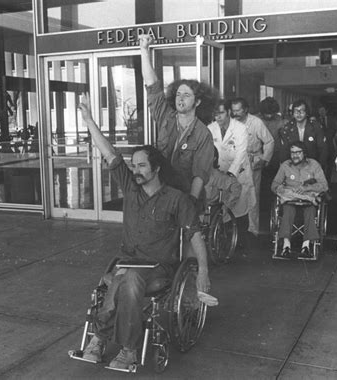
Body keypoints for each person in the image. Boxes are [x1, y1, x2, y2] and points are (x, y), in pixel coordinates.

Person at [77, 93, 211, 370]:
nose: (135, 170)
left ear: (156, 168)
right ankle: (115, 345)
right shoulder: (130, 188)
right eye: (134, 165)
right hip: (125, 263)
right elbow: (109, 152)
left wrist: (204, 274)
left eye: (141, 166)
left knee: (128, 279)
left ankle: (114, 345)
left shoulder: (177, 199)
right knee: (125, 276)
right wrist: (89, 120)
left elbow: (196, 235)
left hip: (159, 270)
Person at [139, 34, 216, 212]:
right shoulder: (166, 117)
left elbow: (200, 174)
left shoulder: (203, 134)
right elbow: (152, 86)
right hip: (159, 191)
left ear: (197, 102)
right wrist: (144, 50)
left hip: (184, 194)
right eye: (178, 94)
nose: (180, 99)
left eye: (187, 95)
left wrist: (191, 202)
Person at [271, 141, 328, 259]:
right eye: (292, 153)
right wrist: (281, 189)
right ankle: (286, 246)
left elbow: (324, 185)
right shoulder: (285, 165)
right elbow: (274, 185)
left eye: (298, 152)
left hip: (308, 198)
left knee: (310, 210)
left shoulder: (314, 165)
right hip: (290, 198)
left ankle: (306, 246)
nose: (295, 155)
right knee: (287, 210)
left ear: (305, 153)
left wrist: (307, 188)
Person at [230, 97, 274, 237]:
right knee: (233, 193)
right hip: (235, 161)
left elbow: (269, 141)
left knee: (252, 194)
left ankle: (252, 229)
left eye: (238, 110)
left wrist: (264, 159)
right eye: (233, 110)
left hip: (252, 160)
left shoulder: (256, 122)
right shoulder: (230, 123)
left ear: (246, 110)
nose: (235, 113)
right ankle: (233, 227)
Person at [207, 99, 252, 217]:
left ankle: (242, 233)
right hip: (219, 174)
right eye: (216, 114)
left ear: (228, 112)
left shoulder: (240, 128)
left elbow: (240, 153)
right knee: (221, 212)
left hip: (238, 173)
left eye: (221, 113)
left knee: (239, 211)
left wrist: (231, 173)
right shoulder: (210, 128)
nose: (218, 117)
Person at [279, 99, 328, 170]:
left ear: (306, 112)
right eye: (296, 111)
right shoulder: (287, 128)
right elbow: (284, 151)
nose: (298, 114)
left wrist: (319, 167)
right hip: (293, 167)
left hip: (312, 166)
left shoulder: (316, 127)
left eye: (301, 111)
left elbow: (323, 149)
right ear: (292, 113)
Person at [204, 147, 242, 211]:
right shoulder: (195, 173)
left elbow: (236, 186)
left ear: (214, 158)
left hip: (210, 213)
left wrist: (227, 205)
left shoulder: (218, 176)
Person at [317, 104, 337, 181]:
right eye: (320, 111)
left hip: (330, 145)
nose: (321, 112)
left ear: (326, 111)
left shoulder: (332, 119)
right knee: (321, 164)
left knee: (330, 164)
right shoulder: (315, 121)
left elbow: (336, 130)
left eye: (323, 110)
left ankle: (328, 180)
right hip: (320, 147)